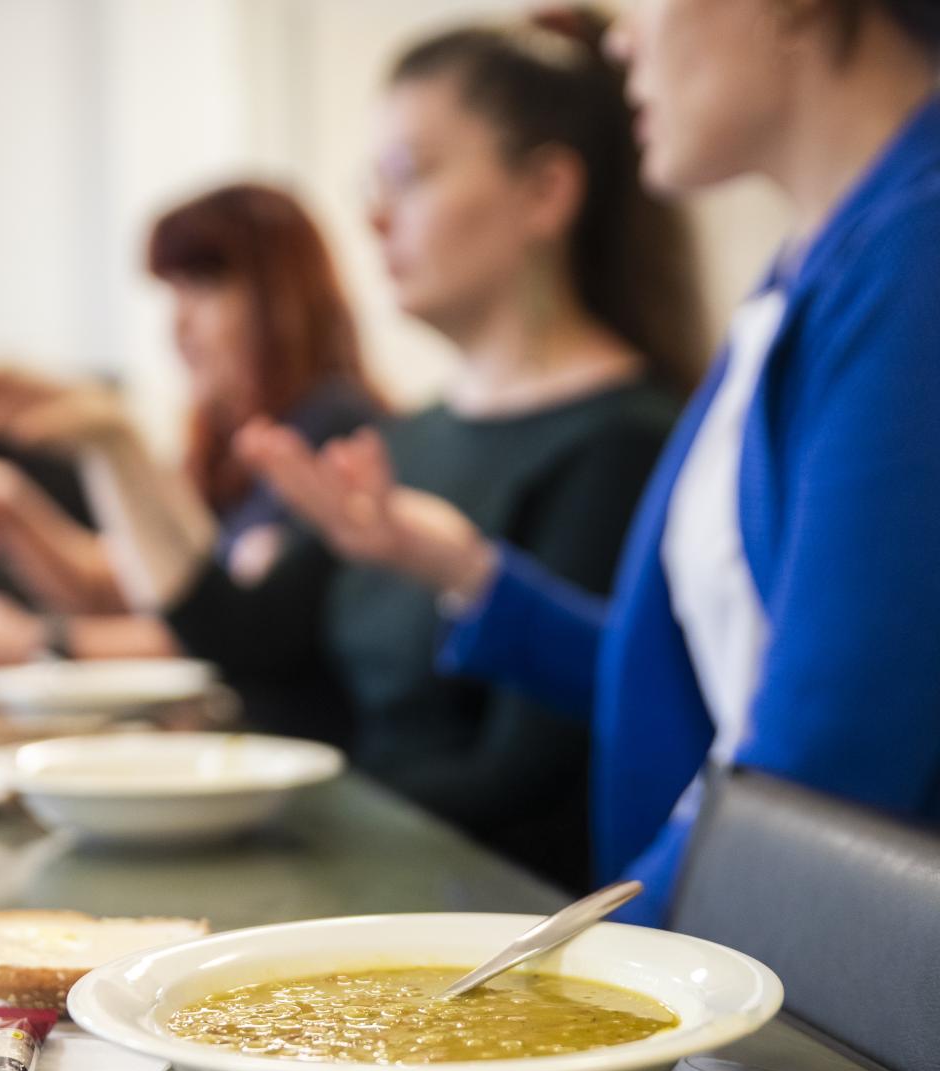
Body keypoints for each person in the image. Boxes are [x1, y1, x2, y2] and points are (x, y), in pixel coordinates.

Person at [231, 0, 940, 924]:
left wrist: (571, 968)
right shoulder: (814, 269)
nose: (621, 37)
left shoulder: (916, 256)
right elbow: (698, 688)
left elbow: (823, 768)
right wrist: (468, 574)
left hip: (826, 1014)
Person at [0, 12, 703, 887]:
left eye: (409, 176)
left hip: (474, 924)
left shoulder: (621, 441)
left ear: (545, 193)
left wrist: (285, 806)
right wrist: (107, 439)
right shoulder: (413, 436)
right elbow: (243, 635)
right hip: (363, 875)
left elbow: (521, 782)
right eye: (375, 180)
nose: (373, 216)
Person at [0, 183, 381, 678]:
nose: (180, 324)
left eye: (205, 287)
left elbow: (216, 629)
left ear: (281, 295)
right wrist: (10, 503)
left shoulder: (331, 432)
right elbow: (129, 583)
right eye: (175, 294)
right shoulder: (227, 452)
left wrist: (35, 642)